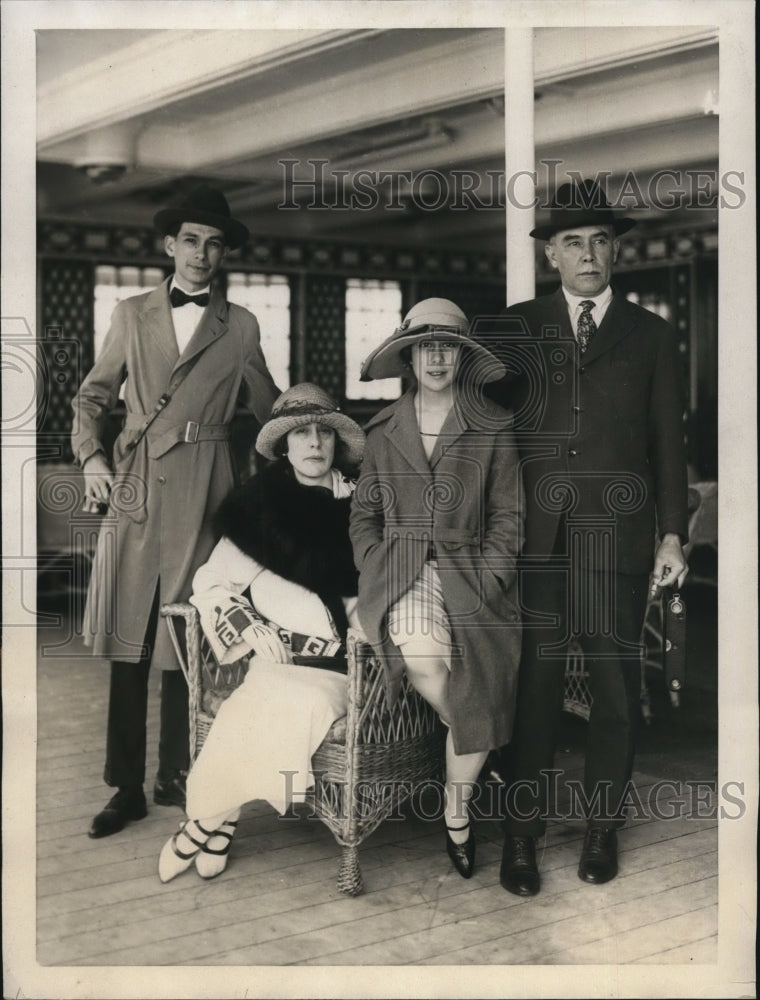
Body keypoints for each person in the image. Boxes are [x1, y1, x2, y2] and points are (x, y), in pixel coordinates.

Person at [491, 178, 689, 896]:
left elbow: (670, 447)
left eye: (601, 240)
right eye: (573, 241)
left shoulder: (653, 334)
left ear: (614, 252)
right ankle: (522, 836)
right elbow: (484, 435)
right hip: (537, 543)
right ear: (551, 254)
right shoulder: (514, 327)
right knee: (534, 692)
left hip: (620, 542)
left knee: (613, 692)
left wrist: (673, 537)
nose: (589, 253)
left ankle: (603, 829)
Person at [72, 185, 280, 838]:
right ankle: (125, 787)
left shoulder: (241, 325)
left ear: (223, 255)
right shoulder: (131, 314)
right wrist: (92, 460)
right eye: (190, 240)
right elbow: (92, 396)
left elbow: (269, 406)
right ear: (170, 246)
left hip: (209, 486)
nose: (201, 254)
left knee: (189, 638)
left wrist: (312, 441)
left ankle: (179, 774)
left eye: (214, 244)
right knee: (130, 640)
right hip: (137, 484)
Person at [157, 383, 365, 881]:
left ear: (335, 443)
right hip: (274, 662)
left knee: (285, 705)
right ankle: (221, 822)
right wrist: (247, 626)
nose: (314, 443)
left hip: (339, 669)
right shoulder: (261, 508)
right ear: (284, 445)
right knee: (248, 704)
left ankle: (201, 824)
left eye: (323, 433)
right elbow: (209, 582)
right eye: (301, 434)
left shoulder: (363, 506)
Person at [350, 298, 523, 880]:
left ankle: (456, 812)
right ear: (409, 356)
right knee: (423, 653)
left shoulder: (493, 425)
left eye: (448, 345)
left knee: (484, 672)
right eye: (426, 346)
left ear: (462, 356)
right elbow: (363, 517)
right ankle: (484, 738)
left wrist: (494, 572)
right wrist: (374, 560)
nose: (437, 356)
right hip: (402, 570)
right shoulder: (383, 430)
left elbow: (509, 516)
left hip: (473, 571)